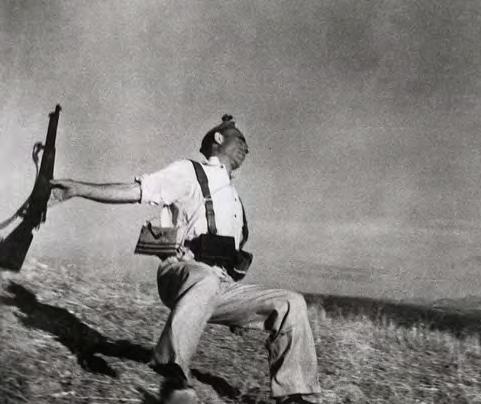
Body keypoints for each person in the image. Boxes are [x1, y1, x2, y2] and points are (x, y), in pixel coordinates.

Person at [50, 115, 321, 404]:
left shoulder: (234, 199)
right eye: (241, 140)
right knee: (204, 279)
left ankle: (292, 395)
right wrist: (78, 189)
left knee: (291, 302)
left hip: (220, 285)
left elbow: (231, 257)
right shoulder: (189, 172)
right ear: (219, 139)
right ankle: (173, 371)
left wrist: (241, 311)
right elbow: (136, 191)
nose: (247, 148)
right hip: (181, 272)